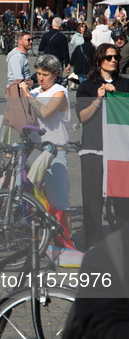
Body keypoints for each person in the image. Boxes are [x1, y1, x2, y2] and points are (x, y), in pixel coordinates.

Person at [76, 43, 129, 250]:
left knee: (123, 202)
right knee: (92, 201)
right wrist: (98, 100)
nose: (114, 60)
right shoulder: (87, 86)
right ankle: (93, 247)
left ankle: (123, 247)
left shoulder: (125, 85)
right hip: (93, 150)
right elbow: (82, 117)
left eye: (116, 57)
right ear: (99, 61)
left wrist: (118, 98)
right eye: (109, 57)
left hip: (120, 152)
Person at [18, 54, 72, 236]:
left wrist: (26, 94)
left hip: (55, 152)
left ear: (56, 74)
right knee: (35, 198)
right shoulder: (34, 92)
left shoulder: (60, 92)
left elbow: (47, 111)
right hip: (34, 150)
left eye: (45, 74)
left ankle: (66, 240)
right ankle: (42, 240)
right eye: (38, 73)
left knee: (59, 200)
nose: (40, 78)